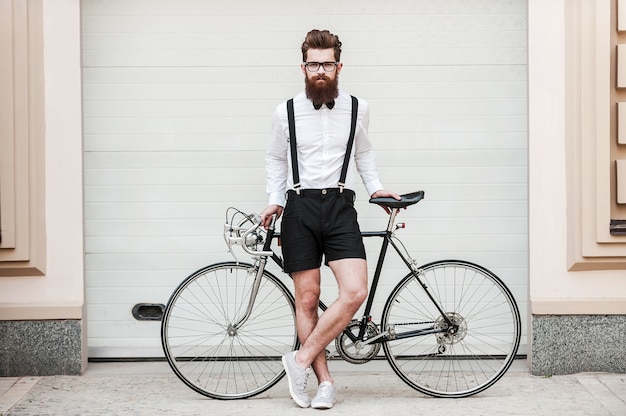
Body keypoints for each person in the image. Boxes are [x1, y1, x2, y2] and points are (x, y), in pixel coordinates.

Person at [260, 29, 399, 409]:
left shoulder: (358, 108)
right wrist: (274, 200)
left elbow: (364, 154)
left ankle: (299, 360)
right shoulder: (284, 111)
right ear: (303, 66)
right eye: (312, 64)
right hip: (298, 208)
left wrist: (376, 188)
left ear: (339, 66)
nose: (319, 70)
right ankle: (323, 384)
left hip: (340, 206)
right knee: (307, 299)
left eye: (326, 64)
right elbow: (274, 158)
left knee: (354, 291)